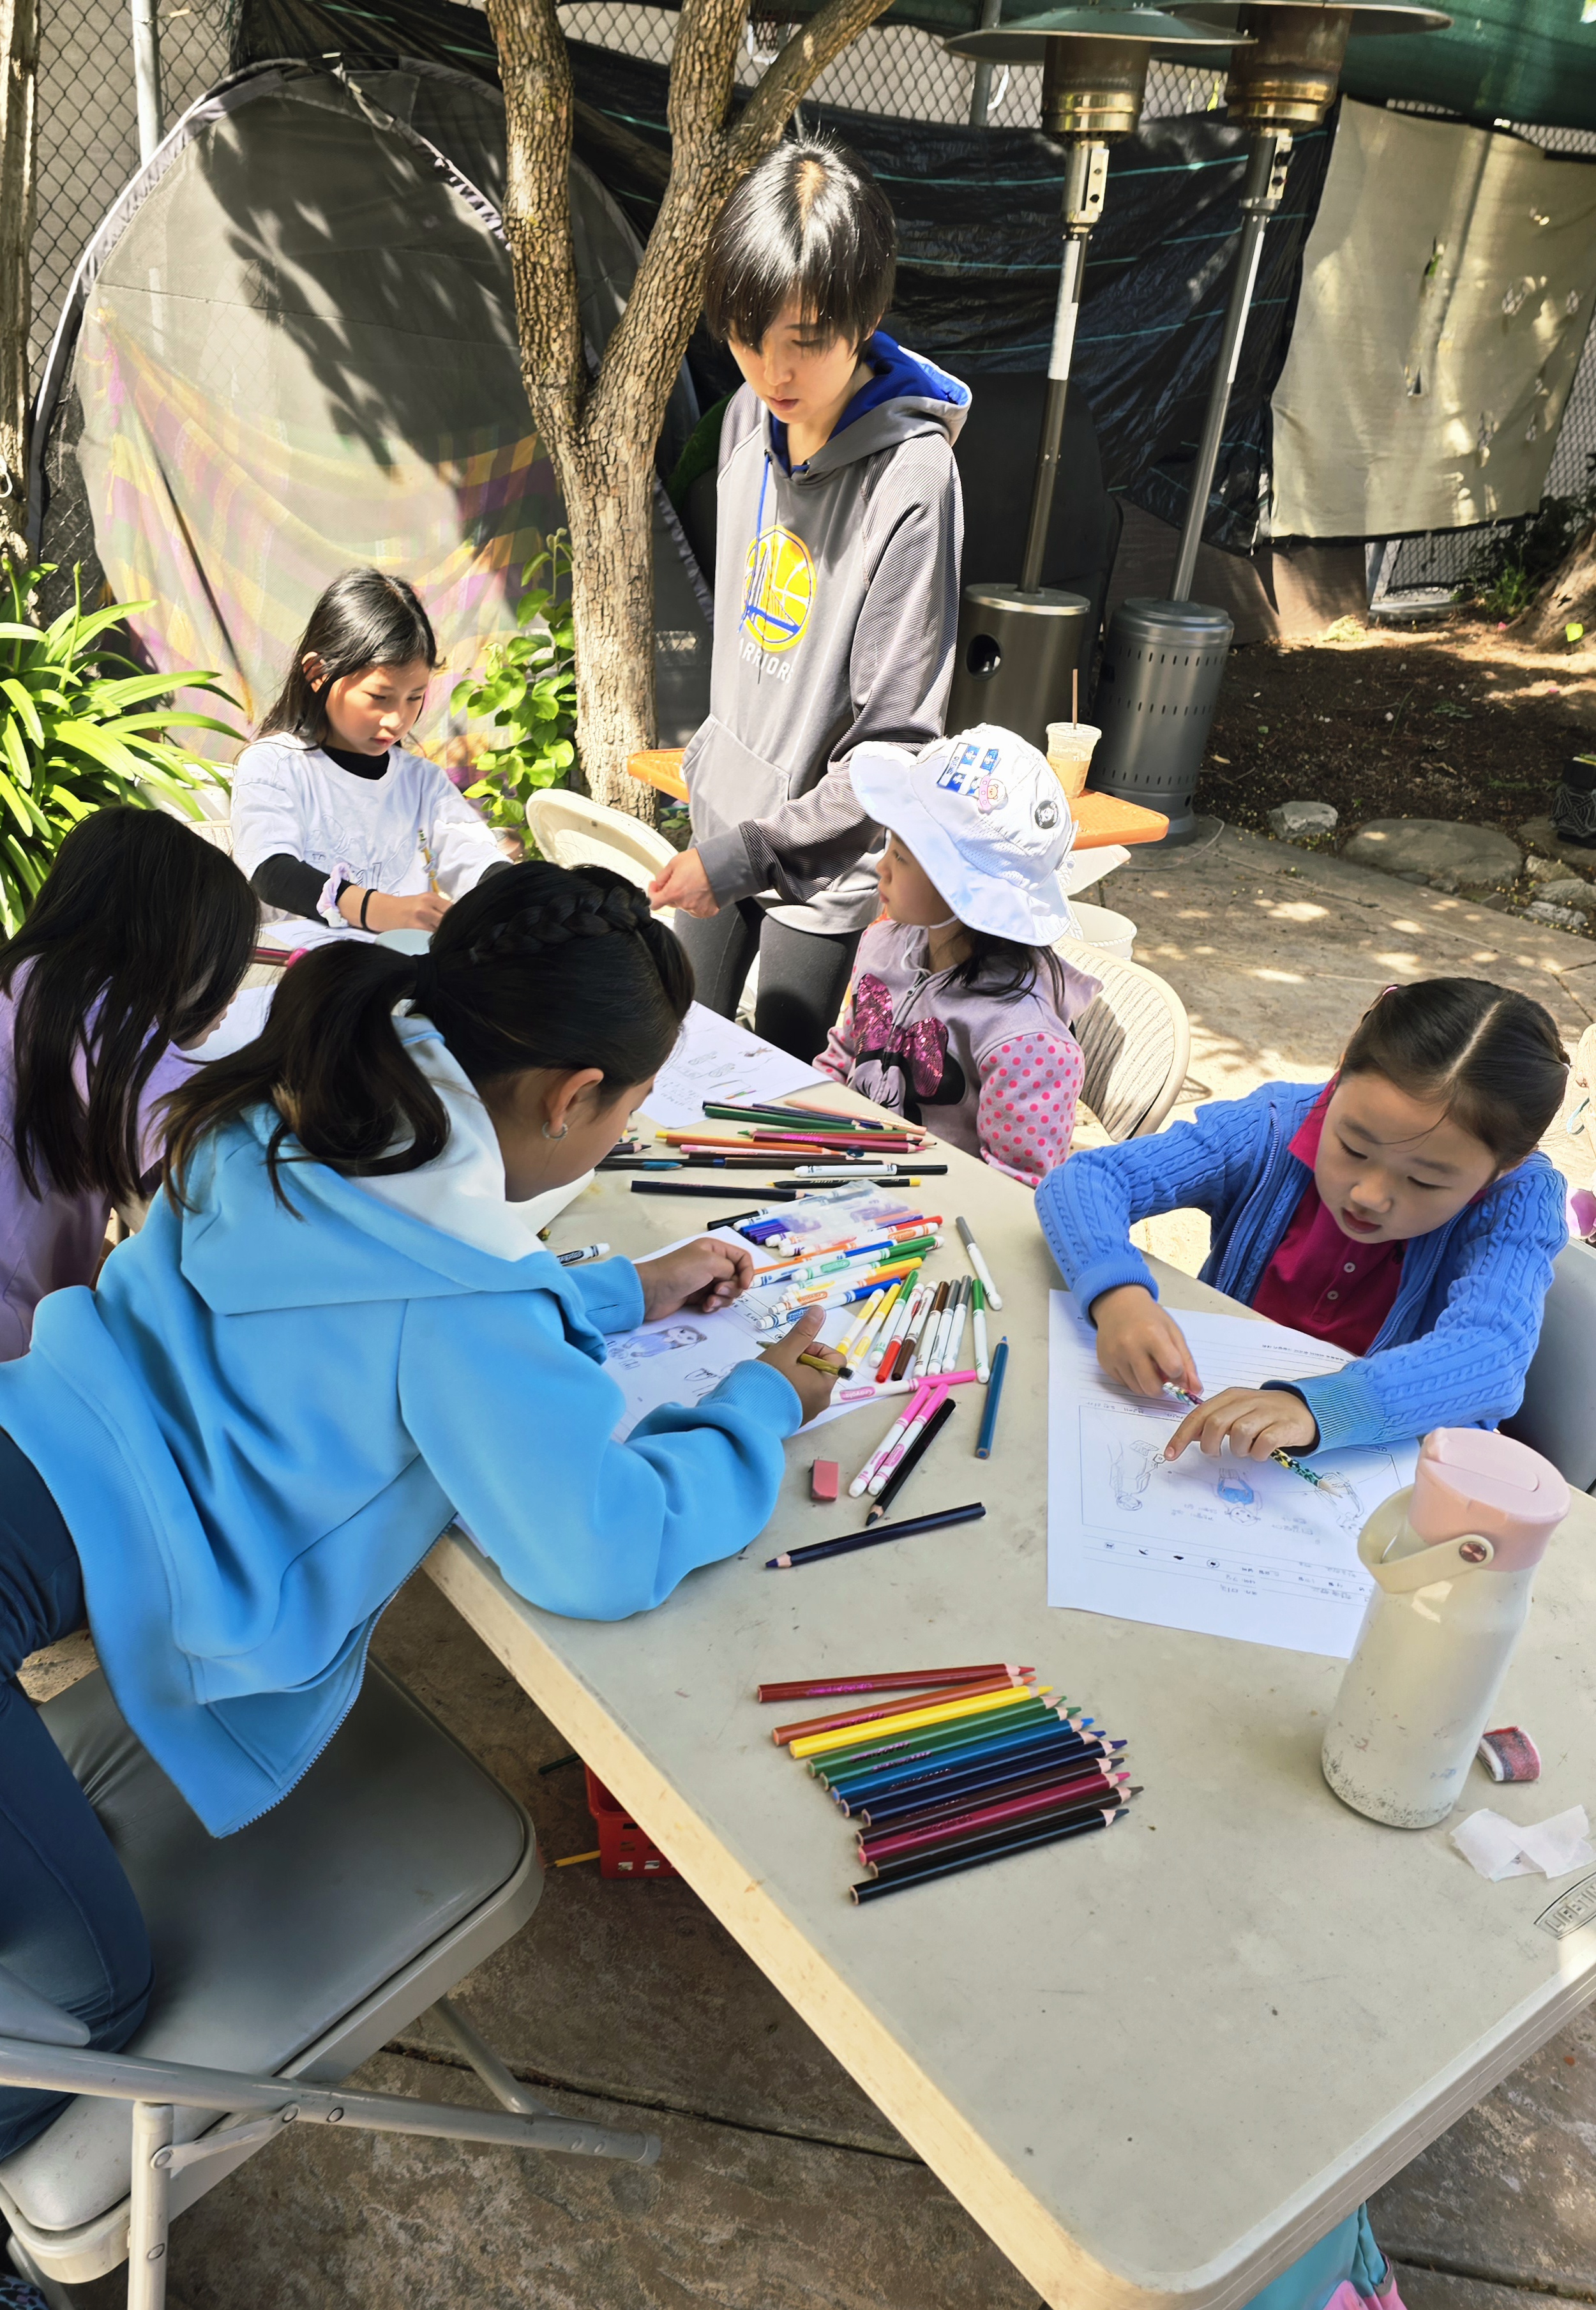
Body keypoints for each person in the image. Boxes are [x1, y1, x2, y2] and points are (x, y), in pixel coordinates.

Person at [0, 861, 837, 2157]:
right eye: (628, 1109)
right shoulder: (462, 1312)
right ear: (573, 1099)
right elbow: (595, 1548)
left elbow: (380, 1294)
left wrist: (613, 1290)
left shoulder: (296, 1101)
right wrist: (758, 1411)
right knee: (80, 2002)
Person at [648, 137, 970, 1062]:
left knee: (776, 1095)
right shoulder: (752, 413)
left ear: (865, 317)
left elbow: (895, 745)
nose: (772, 373)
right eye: (748, 339)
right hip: (725, 818)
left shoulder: (916, 478)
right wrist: (721, 808)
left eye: (806, 342)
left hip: (823, 864)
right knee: (679, 1060)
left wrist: (753, 852)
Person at [1039, 978, 1569, 1459]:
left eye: (1425, 1181)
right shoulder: (1274, 1127)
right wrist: (1119, 1298)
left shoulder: (1517, 1202)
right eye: (1353, 1147)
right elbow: (1085, 1181)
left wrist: (1319, 1408)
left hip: (1390, 1463)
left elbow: (1490, 1357)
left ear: (1506, 1165)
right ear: (1338, 1077)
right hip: (1217, 1421)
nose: (1369, 1194)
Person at [0, 808, 255, 1361]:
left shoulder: (28, 987)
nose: (232, 996)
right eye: (226, 963)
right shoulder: (71, 990)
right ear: (163, 944)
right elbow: (198, 1133)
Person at [813, 727, 1101, 1186]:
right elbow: (844, 1057)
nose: (881, 868)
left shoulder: (1024, 1040)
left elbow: (1016, 1189)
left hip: (932, 1224)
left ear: (964, 890)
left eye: (903, 857)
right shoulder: (882, 945)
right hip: (841, 1171)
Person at [230, 566, 507, 941]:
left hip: (398, 972)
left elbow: (474, 857)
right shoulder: (274, 765)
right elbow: (272, 872)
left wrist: (519, 892)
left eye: (415, 698)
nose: (398, 720)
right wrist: (379, 909)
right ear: (317, 673)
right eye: (380, 698)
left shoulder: (421, 781)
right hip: (300, 977)